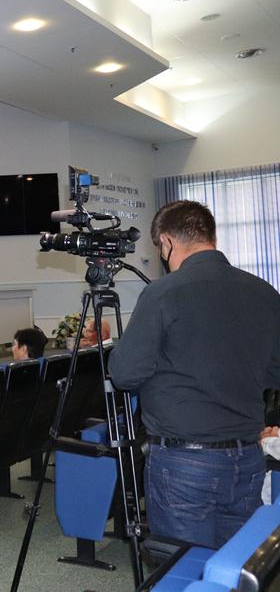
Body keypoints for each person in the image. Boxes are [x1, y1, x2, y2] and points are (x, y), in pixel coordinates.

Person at [109, 200, 280, 548]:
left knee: (183, 566)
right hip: (248, 459)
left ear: (167, 242)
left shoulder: (161, 293)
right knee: (231, 565)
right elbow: (275, 373)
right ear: (210, 237)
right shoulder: (264, 292)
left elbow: (124, 374)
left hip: (183, 463)